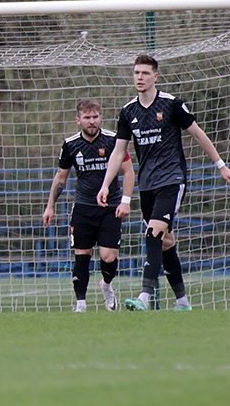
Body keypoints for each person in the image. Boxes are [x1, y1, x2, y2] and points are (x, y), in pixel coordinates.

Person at [98, 54, 230, 311]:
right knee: (166, 242)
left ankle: (144, 298)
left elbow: (198, 134)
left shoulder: (171, 104)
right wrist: (105, 184)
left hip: (172, 179)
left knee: (153, 233)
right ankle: (182, 302)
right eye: (136, 72)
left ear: (155, 77)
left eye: (145, 73)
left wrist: (221, 165)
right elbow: (118, 152)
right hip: (147, 185)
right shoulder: (128, 112)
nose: (140, 77)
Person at [43, 99, 135, 312]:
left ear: (100, 118)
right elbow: (61, 178)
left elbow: (129, 171)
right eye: (87, 117)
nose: (92, 121)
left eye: (95, 117)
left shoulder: (114, 140)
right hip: (83, 207)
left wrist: (125, 201)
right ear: (78, 120)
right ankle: (80, 304)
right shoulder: (71, 144)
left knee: (108, 257)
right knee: (82, 255)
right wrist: (50, 206)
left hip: (110, 207)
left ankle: (107, 285)